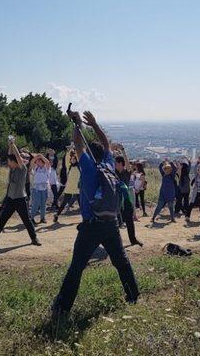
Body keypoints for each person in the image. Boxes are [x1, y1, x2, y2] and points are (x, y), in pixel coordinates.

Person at [52, 110, 139, 318]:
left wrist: (76, 125)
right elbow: (107, 144)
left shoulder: (89, 168)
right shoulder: (109, 165)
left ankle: (62, 308)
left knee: (77, 267)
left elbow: (79, 146)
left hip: (91, 226)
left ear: (89, 155)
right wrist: (94, 124)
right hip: (111, 224)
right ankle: (133, 295)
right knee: (121, 261)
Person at [0, 138, 40, 248]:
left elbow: (18, 157)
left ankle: (34, 238)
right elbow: (11, 155)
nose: (8, 163)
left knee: (27, 221)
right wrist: (9, 146)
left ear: (15, 162)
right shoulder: (12, 169)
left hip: (20, 200)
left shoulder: (22, 168)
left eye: (10, 161)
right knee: (2, 221)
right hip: (10, 199)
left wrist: (13, 144)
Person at [53, 150, 80, 223]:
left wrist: (76, 151)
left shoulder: (80, 167)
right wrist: (70, 150)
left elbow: (79, 157)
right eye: (72, 159)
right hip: (69, 187)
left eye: (74, 159)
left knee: (81, 204)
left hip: (78, 188)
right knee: (64, 203)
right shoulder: (69, 167)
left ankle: (86, 218)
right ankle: (57, 215)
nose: (72, 160)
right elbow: (66, 158)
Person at [29, 154, 51, 224]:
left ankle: (42, 218)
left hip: (44, 188)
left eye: (38, 161)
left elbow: (48, 162)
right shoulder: (36, 168)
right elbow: (31, 162)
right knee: (36, 203)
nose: (37, 162)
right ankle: (31, 218)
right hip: (36, 189)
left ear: (42, 162)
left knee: (43, 204)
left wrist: (41, 156)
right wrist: (37, 157)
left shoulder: (46, 168)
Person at [185, 156, 200, 222]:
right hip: (196, 190)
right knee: (192, 203)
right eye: (198, 168)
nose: (199, 169)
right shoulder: (196, 175)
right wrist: (198, 162)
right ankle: (187, 216)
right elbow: (195, 169)